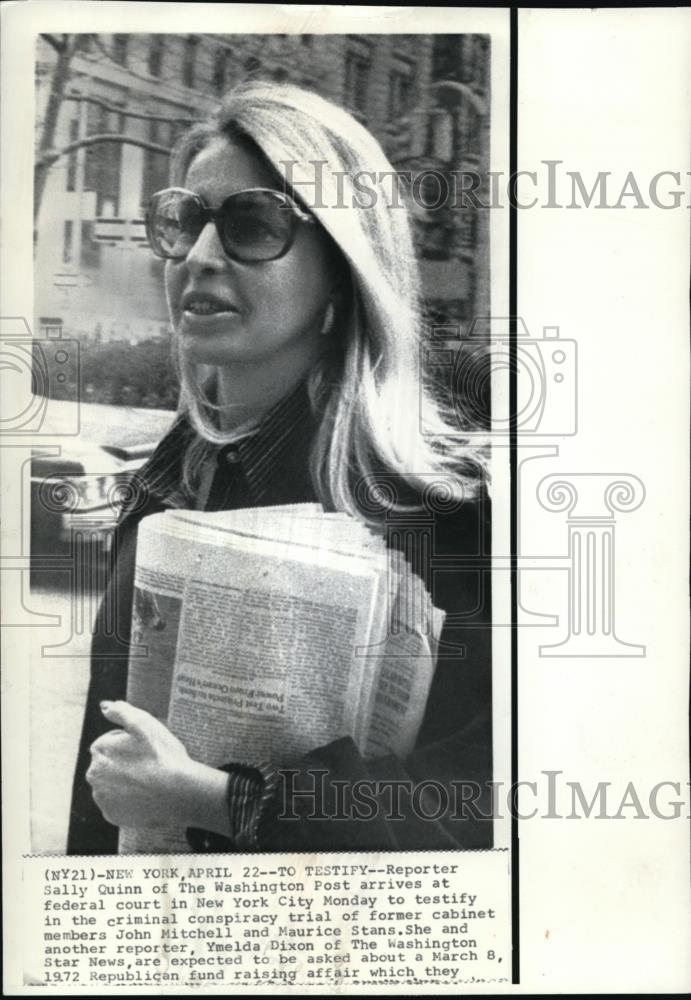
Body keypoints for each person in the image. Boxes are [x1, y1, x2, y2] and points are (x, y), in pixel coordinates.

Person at [67, 80, 493, 855]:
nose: (198, 255)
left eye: (251, 224)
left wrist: (225, 802)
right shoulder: (171, 476)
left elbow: (481, 798)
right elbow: (105, 770)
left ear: (341, 262)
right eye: (183, 220)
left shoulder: (436, 499)